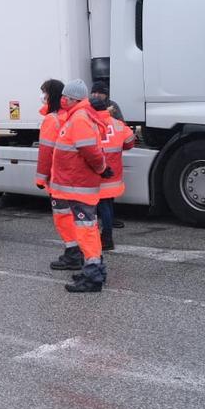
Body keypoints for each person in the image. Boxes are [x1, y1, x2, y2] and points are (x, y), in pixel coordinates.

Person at [48, 78, 114, 293]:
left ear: (73, 98)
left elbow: (89, 151)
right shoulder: (79, 116)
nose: (63, 99)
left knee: (86, 230)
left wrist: (102, 168)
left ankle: (93, 274)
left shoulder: (79, 118)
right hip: (77, 184)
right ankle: (92, 269)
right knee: (88, 229)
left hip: (79, 185)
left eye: (66, 96)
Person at [36, 79, 78, 262]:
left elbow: (46, 151)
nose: (42, 96)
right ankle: (82, 250)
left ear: (51, 95)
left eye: (44, 92)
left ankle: (72, 252)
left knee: (62, 216)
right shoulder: (72, 117)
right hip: (77, 175)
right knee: (79, 217)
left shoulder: (51, 120)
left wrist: (41, 178)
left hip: (60, 177)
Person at [95, 94, 135, 251]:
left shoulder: (91, 124)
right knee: (108, 205)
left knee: (100, 207)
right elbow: (130, 142)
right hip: (114, 174)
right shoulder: (118, 124)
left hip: (98, 173)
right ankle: (107, 235)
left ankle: (106, 238)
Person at [90, 81, 126, 228]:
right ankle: (104, 220)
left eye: (100, 92)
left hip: (110, 156)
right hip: (98, 155)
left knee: (108, 192)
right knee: (101, 193)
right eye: (95, 92)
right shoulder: (88, 106)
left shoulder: (113, 106)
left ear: (106, 94)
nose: (97, 95)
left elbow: (122, 126)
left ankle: (108, 219)